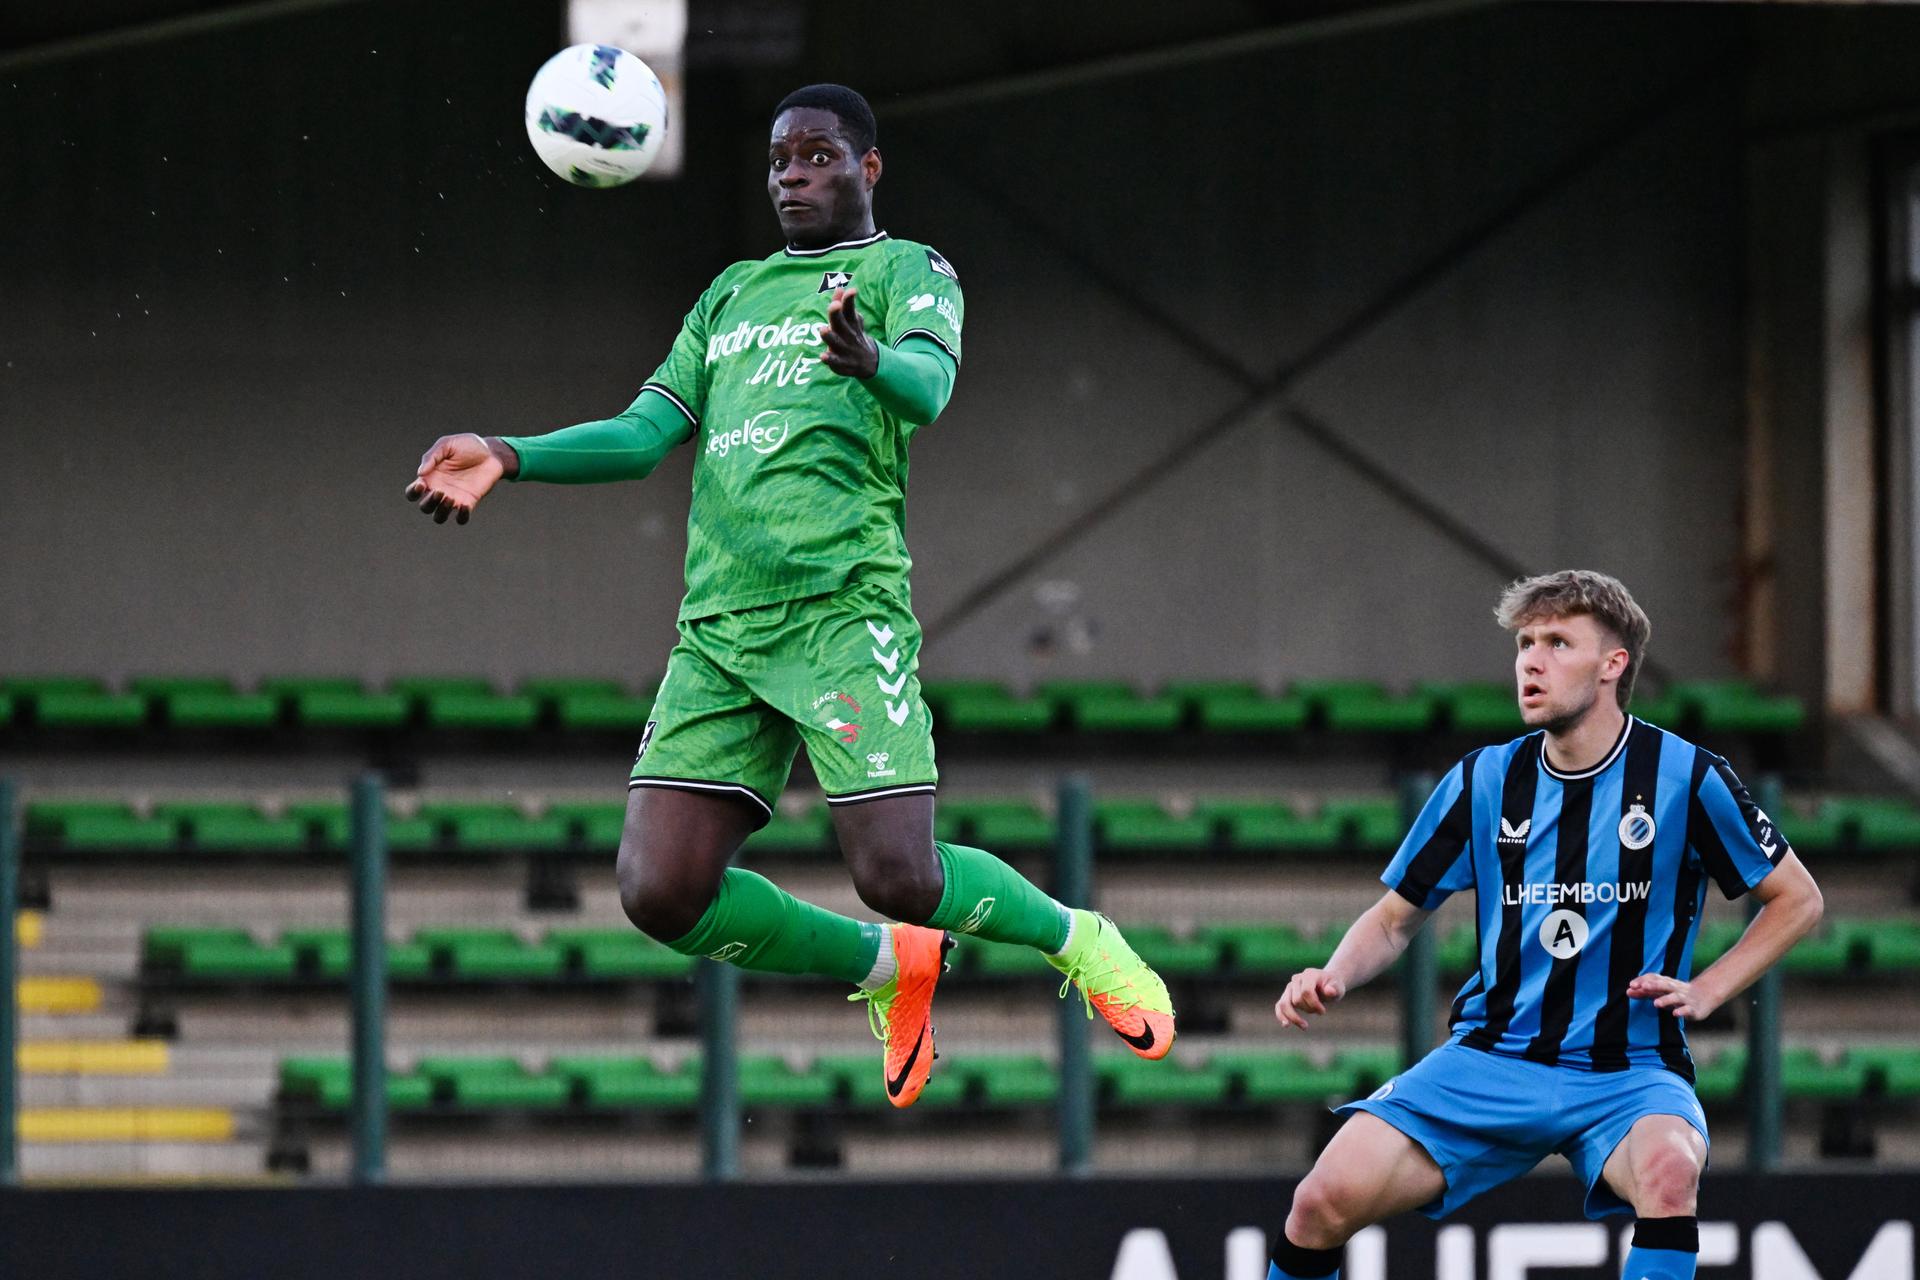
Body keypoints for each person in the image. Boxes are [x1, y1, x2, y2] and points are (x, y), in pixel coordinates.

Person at [402, 83, 1175, 1107]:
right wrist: (509, 452)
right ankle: (884, 965)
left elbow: (930, 389)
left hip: (841, 610)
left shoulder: (910, 270)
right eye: (778, 160)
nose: (793, 174)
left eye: (816, 154)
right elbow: (641, 437)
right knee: (659, 891)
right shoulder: (730, 295)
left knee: (900, 873)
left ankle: (1080, 938)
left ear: (867, 167)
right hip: (720, 632)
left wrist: (870, 360)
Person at [1266, 570, 1823, 1280]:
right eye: (1525, 643)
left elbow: (1798, 898)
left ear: (1612, 664)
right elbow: (1395, 917)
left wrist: (1711, 988)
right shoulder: (1483, 780)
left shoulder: (1686, 776)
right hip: (1492, 1058)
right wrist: (1333, 974)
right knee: (1320, 1200)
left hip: (1630, 1071)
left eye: (1559, 643)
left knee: (1669, 1170)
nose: (1531, 661)